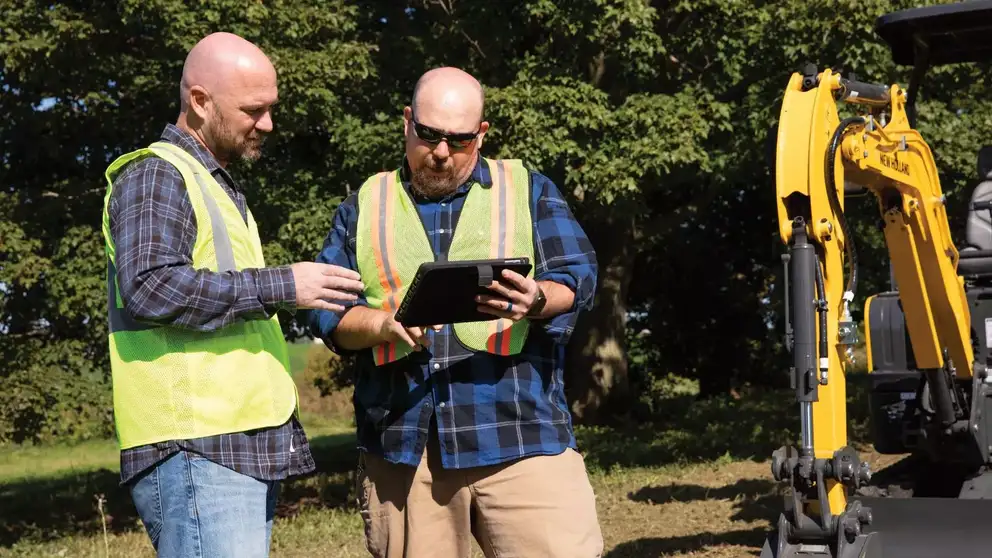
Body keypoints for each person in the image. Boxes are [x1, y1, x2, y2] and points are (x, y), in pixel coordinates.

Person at [309, 66, 604, 558]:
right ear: (406, 122)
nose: (442, 153)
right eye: (428, 135)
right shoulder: (363, 205)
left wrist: (535, 299)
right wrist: (381, 326)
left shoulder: (528, 188)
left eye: (460, 141)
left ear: (482, 135)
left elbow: (579, 277)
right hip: (405, 450)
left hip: (521, 436)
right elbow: (328, 312)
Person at [99, 32, 364, 557]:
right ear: (199, 101)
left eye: (271, 108)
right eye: (253, 109)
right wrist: (285, 284)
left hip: (232, 445)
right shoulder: (156, 176)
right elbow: (149, 287)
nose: (267, 123)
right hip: (197, 448)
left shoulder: (214, 183)